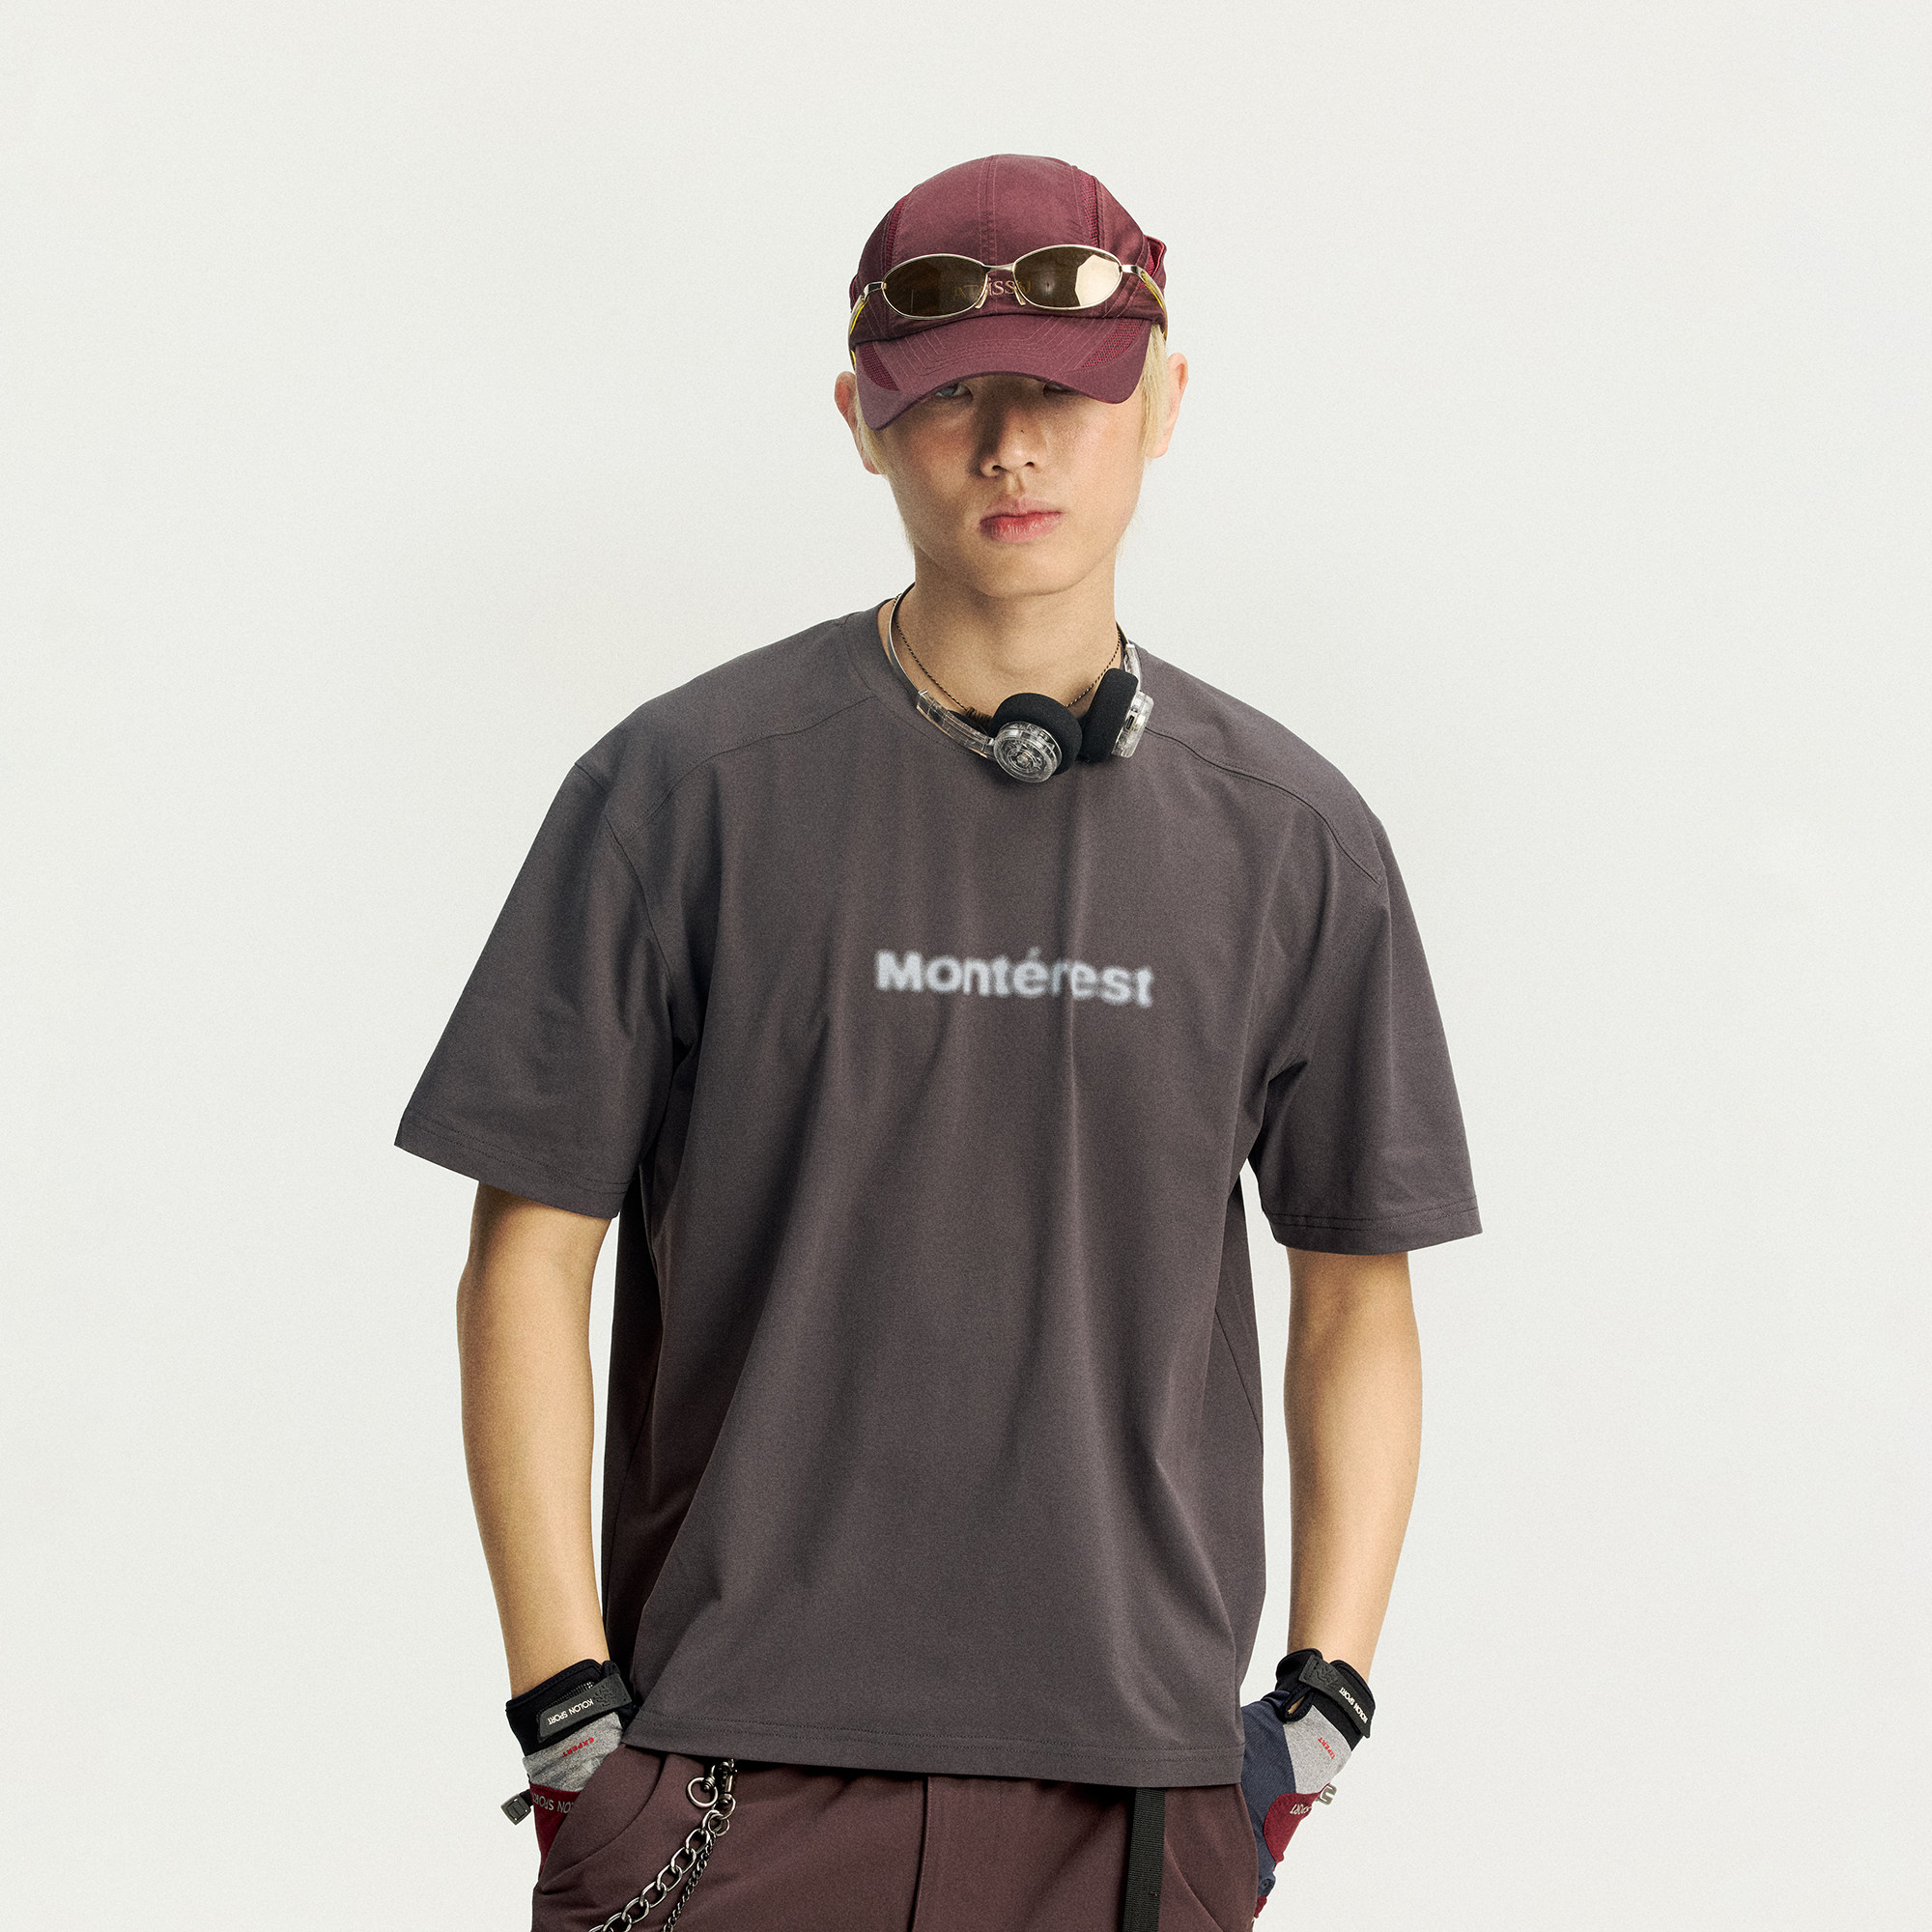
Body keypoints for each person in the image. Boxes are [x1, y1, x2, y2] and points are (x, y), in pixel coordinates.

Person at [397, 152, 1480, 1932]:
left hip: (1137, 1798)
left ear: (1166, 402)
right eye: (951, 397)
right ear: (862, 420)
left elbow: (1358, 1293)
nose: (1011, 447)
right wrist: (569, 1721)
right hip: (722, 1777)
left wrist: (1319, 1716)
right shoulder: (682, 792)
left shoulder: (1293, 840)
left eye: (1068, 391)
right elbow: (528, 1253)